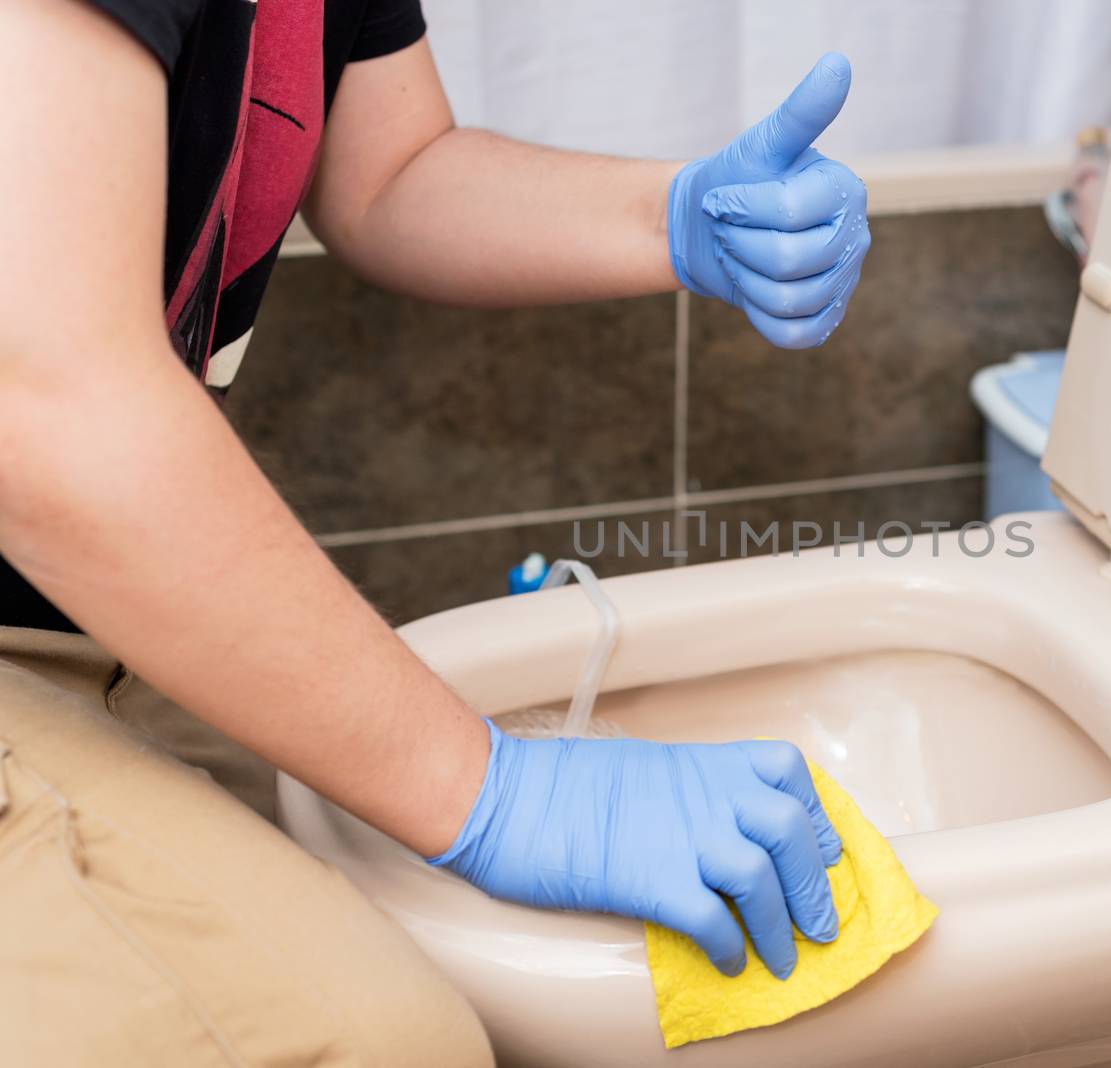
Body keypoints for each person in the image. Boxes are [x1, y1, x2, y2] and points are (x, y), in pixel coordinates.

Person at [0, 0, 871, 1062]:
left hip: (86, 604)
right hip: (44, 567)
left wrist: (672, 215)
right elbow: (44, 405)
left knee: (371, 872)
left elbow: (389, 171)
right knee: (392, 1042)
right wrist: (490, 790)